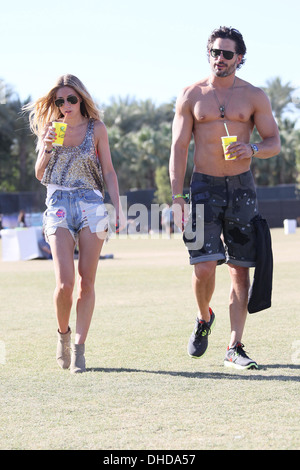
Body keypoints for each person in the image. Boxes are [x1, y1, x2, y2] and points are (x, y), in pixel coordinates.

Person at [169, 27, 280, 370]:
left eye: (227, 54)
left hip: (242, 187)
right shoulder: (191, 95)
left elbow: (274, 142)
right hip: (203, 186)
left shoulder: (254, 96)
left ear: (240, 58)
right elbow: (178, 147)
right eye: (215, 52)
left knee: (240, 270)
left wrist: (252, 148)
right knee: (203, 268)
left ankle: (234, 346)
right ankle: (204, 318)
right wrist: (176, 196)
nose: (220, 58)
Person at [24, 74, 124, 373]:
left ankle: (79, 348)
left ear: (81, 99)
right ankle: (63, 336)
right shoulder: (49, 129)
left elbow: (108, 171)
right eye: (59, 101)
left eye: (71, 99)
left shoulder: (96, 129)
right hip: (58, 203)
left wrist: (115, 208)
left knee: (87, 281)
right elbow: (40, 174)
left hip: (91, 204)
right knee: (65, 283)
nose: (65, 105)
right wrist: (47, 147)